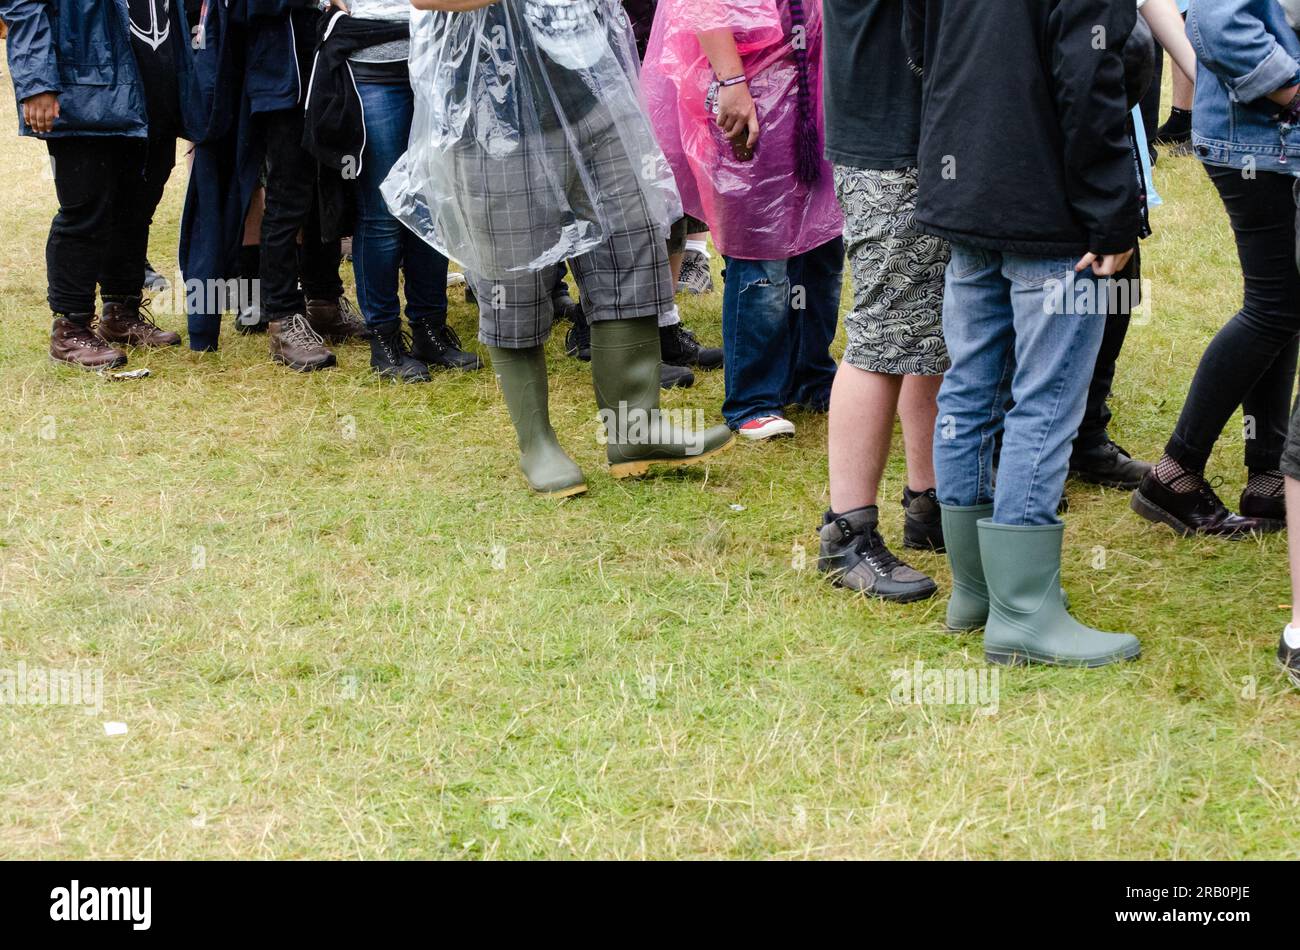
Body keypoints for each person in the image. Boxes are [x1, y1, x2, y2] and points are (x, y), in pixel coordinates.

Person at [392, 0, 734, 498]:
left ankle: (634, 430)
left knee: (630, 248)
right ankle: (537, 442)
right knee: (513, 281)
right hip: (493, 120)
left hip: (591, 96)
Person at [907, 0, 1144, 668]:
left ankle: (979, 593)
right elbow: (1091, 75)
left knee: (972, 390)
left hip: (968, 185)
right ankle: (1021, 610)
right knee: (1044, 399)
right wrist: (1111, 212)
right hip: (1043, 205)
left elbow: (920, 45)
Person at [1130, 0, 1300, 539]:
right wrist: (1292, 91)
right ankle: (1176, 472)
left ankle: (1268, 475)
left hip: (1266, 140)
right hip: (1259, 142)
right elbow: (1220, 22)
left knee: (1283, 306)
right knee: (1275, 308)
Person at [644, 0, 845, 443]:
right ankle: (754, 398)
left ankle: (810, 376)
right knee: (761, 250)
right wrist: (731, 81)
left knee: (822, 245)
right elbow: (703, 6)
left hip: (815, 87)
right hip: (752, 88)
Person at [814, 0, 948, 604]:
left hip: (917, 133)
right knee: (881, 338)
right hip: (890, 143)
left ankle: (930, 500)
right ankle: (847, 533)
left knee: (929, 329)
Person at [2, 0, 201, 369]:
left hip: (157, 83)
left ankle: (120, 313)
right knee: (86, 208)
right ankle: (70, 328)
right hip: (84, 85)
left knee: (137, 206)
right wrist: (36, 83)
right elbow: (22, 7)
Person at [305, 0, 481, 381]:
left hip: (435, 62)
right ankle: (384, 341)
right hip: (372, 69)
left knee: (433, 205)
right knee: (382, 213)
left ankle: (430, 330)